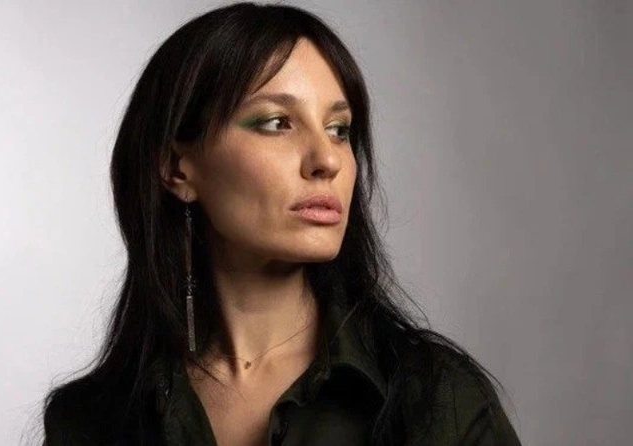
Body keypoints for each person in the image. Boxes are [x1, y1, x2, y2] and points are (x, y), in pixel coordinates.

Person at [42, 2, 522, 445]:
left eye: (338, 130)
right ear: (176, 168)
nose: (327, 160)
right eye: (277, 123)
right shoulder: (90, 422)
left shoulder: (440, 402)